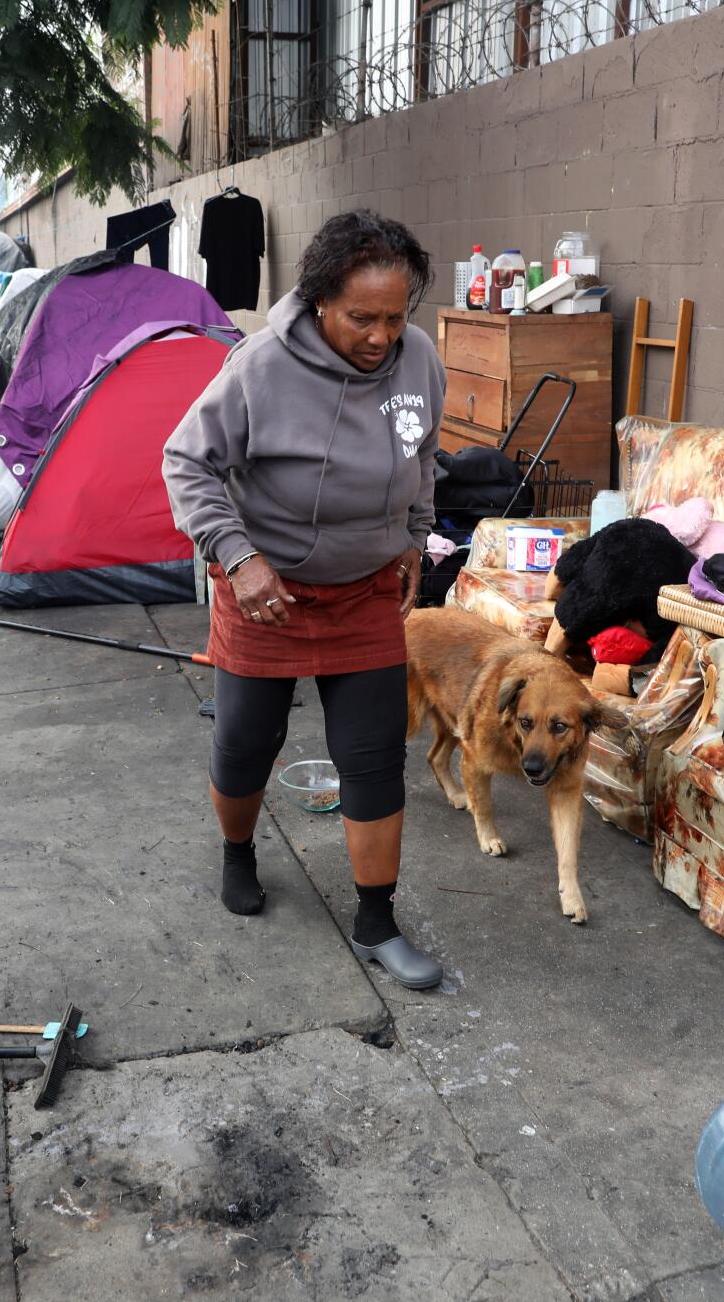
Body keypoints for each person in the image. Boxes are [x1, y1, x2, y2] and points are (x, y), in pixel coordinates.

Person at [163, 210, 446, 990]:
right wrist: (239, 557)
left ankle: (378, 920)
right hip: (267, 595)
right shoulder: (260, 366)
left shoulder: (418, 360)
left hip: (364, 594)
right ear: (320, 300)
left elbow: (422, 455)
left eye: (394, 316)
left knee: (374, 755)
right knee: (247, 745)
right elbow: (186, 462)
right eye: (362, 317)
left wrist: (415, 537)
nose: (381, 336)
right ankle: (237, 851)